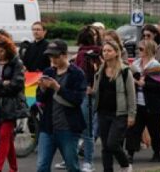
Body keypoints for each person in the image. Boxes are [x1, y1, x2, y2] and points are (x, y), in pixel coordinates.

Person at [36, 39, 87, 172]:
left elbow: (77, 100)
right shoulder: (48, 71)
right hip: (48, 127)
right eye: (50, 56)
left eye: (56, 56)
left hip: (68, 128)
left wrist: (57, 88)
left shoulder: (77, 73)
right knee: (41, 166)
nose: (53, 59)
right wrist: (42, 88)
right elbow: (40, 98)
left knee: (72, 166)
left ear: (65, 55)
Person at [0, 34, 27, 172]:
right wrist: (2, 83)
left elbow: (16, 85)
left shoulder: (16, 63)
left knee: (3, 136)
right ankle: (14, 168)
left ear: (7, 49)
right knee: (7, 139)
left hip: (12, 105)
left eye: (1, 51)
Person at [93, 41, 135, 172]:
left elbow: (131, 94)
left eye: (109, 50)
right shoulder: (100, 70)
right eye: (104, 50)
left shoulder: (125, 71)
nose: (105, 53)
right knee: (105, 147)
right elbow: (98, 90)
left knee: (112, 143)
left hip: (119, 113)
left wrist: (131, 115)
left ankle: (125, 165)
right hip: (102, 112)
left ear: (117, 53)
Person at [126, 39, 160, 163]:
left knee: (155, 130)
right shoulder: (135, 64)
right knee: (133, 129)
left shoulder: (156, 66)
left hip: (153, 104)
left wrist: (145, 84)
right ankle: (130, 154)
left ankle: (157, 153)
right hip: (137, 103)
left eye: (141, 49)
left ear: (149, 50)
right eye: (138, 49)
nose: (138, 51)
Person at [74, 26, 102, 172]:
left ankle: (86, 161)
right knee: (87, 129)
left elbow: (80, 74)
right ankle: (86, 162)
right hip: (90, 93)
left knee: (84, 129)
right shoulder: (98, 53)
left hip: (84, 93)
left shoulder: (83, 54)